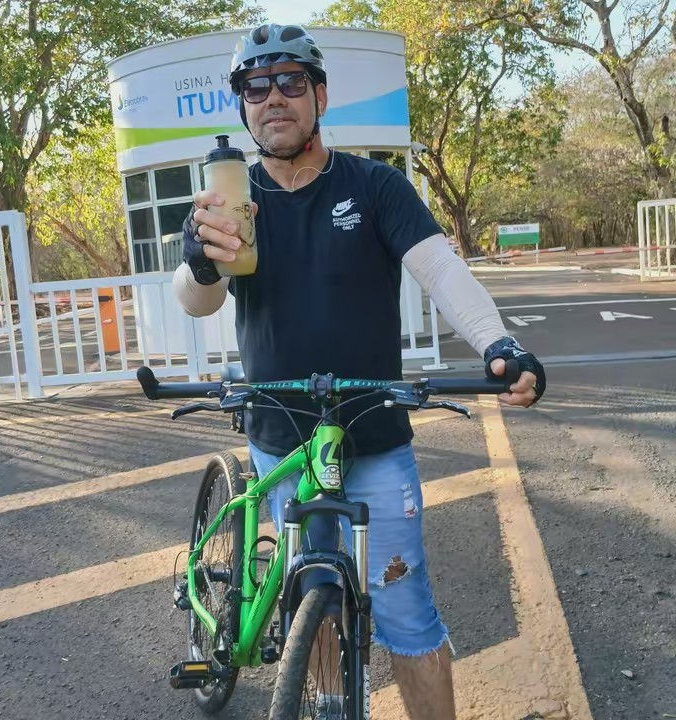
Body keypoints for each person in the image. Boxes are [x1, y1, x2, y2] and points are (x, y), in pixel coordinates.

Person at [173, 23, 546, 720]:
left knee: (406, 614)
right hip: (280, 436)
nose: (273, 97)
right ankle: (326, 697)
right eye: (255, 86)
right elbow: (197, 300)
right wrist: (198, 261)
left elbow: (441, 271)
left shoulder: (375, 186)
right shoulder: (232, 201)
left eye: (290, 81)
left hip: (373, 438)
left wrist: (500, 344)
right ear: (243, 104)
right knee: (308, 597)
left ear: (319, 96)